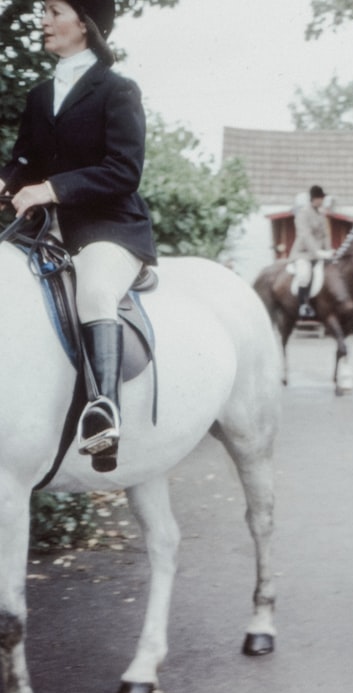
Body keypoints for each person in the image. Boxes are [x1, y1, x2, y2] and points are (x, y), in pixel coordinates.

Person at [0, 0, 156, 473]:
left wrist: (51, 188)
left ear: (84, 25)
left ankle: (105, 409)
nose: (42, 20)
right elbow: (26, 160)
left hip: (109, 227)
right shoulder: (40, 94)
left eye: (53, 11)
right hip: (46, 231)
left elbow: (124, 170)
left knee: (93, 288)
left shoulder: (118, 90)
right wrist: (7, 182)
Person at [290, 184, 331, 319]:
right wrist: (317, 252)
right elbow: (305, 235)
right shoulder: (303, 214)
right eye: (321, 198)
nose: (323, 201)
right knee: (304, 275)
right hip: (304, 253)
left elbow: (325, 235)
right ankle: (303, 305)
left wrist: (329, 250)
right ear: (315, 199)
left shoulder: (321, 214)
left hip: (320, 253)